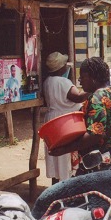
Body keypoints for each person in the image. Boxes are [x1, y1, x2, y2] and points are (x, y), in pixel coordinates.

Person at [50, 57, 111, 158]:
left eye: (82, 78)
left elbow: (95, 135)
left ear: (93, 78)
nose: (80, 82)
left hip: (101, 158)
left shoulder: (95, 99)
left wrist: (65, 149)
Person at [42, 52, 89, 184]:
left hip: (52, 120)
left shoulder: (47, 81)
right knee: (65, 157)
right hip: (64, 122)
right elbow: (78, 97)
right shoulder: (63, 82)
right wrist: (93, 89)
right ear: (61, 67)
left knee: (55, 158)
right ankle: (66, 187)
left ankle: (55, 186)